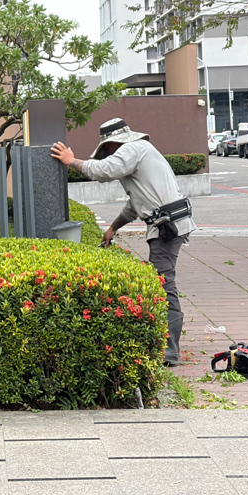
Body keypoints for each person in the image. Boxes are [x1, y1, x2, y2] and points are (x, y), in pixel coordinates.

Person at [50, 118, 195, 367]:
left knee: (163, 282)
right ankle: (166, 344)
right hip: (167, 222)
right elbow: (134, 205)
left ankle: (170, 350)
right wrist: (113, 228)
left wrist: (71, 161)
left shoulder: (133, 148)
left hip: (167, 226)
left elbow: (103, 171)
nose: (107, 153)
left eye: (107, 148)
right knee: (161, 280)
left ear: (113, 143)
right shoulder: (141, 154)